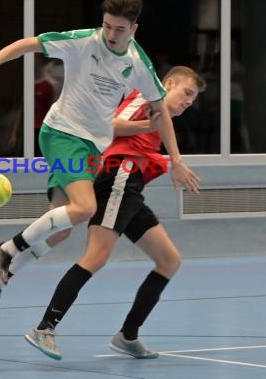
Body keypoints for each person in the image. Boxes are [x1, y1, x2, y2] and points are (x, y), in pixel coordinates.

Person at [0, 0, 199, 326]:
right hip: (62, 133)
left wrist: (175, 160)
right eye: (107, 26)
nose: (111, 35)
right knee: (85, 208)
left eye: (119, 29)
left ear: (133, 28)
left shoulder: (138, 62)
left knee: (59, 229)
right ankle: (5, 250)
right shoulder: (83, 41)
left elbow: (161, 111)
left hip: (91, 146)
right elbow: (29, 43)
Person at [25, 66, 205, 360]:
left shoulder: (160, 119)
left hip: (130, 187)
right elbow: (108, 124)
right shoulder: (145, 99)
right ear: (167, 84)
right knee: (96, 257)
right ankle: (45, 327)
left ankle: (128, 336)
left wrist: (173, 159)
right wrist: (148, 128)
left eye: (193, 99)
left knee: (169, 260)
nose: (188, 102)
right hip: (118, 176)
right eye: (186, 93)